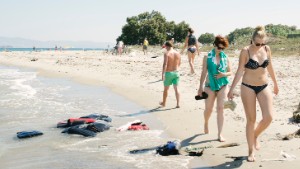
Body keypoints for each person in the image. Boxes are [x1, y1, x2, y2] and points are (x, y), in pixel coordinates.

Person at [227, 26, 279, 162]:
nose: (260, 45)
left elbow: (270, 66)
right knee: (251, 120)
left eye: (262, 43)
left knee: (268, 117)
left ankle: (255, 135)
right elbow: (239, 71)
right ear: (252, 39)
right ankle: (250, 151)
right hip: (247, 87)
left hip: (264, 86)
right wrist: (231, 89)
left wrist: (276, 83)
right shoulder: (245, 51)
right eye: (257, 43)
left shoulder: (267, 49)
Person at [197, 35, 231, 142]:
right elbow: (203, 72)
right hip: (209, 86)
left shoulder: (225, 57)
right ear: (214, 45)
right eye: (218, 47)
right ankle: (206, 123)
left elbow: (230, 72)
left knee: (221, 109)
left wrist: (223, 74)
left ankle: (220, 134)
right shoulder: (207, 57)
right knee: (209, 109)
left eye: (222, 48)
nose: (220, 50)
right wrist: (200, 87)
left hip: (223, 85)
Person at [160, 41, 181, 108]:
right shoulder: (178, 53)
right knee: (176, 89)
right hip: (176, 72)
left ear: (166, 46)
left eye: (165, 47)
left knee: (166, 89)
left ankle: (164, 103)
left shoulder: (167, 53)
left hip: (169, 73)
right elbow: (179, 63)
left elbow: (165, 64)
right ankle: (178, 104)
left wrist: (163, 74)